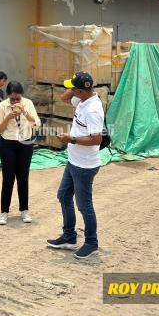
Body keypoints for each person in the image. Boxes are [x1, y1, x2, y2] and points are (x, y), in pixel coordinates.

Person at [46, 72, 105, 260]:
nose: (70, 90)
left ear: (80, 91)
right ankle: (69, 237)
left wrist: (71, 138)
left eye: (74, 88)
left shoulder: (92, 110)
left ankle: (91, 243)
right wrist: (75, 86)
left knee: (84, 205)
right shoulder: (82, 100)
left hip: (85, 166)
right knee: (63, 195)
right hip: (74, 161)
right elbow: (64, 98)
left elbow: (96, 139)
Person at [0, 81, 40, 224]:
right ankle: (4, 212)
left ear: (21, 96)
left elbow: (36, 124)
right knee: (8, 178)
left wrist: (24, 112)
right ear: (7, 96)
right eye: (12, 99)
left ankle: (24, 210)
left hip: (25, 144)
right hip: (8, 144)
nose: (15, 102)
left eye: (17, 98)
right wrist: (8, 117)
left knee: (23, 177)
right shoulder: (3, 106)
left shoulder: (28, 103)